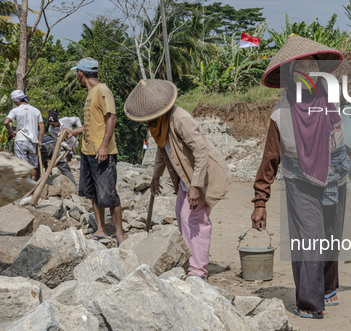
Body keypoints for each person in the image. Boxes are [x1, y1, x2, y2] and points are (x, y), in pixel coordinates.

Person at [251, 35, 351, 319]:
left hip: (336, 176)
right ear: (290, 75)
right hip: (301, 181)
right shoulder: (281, 114)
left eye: (311, 65)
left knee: (331, 238)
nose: (306, 72)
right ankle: (310, 303)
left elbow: (348, 130)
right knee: (310, 238)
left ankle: (328, 288)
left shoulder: (333, 98)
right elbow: (270, 159)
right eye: (299, 68)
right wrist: (260, 201)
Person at [124, 79, 231, 279]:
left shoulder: (180, 119)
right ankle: (189, 261)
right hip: (184, 178)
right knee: (181, 217)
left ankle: (198, 270)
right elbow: (162, 151)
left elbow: (201, 152)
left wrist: (195, 187)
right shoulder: (159, 125)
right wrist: (156, 177)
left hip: (200, 177)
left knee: (194, 219)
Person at [64, 57, 125, 244]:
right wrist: (73, 132)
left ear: (80, 74)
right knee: (93, 193)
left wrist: (104, 145)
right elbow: (93, 125)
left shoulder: (103, 91)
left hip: (101, 152)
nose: (77, 76)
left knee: (108, 193)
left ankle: (120, 234)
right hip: (88, 151)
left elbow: (111, 118)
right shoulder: (91, 93)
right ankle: (101, 229)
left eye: (77, 73)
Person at [4, 90, 44, 181]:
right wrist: (40, 141)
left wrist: (12, 131)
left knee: (22, 166)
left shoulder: (16, 110)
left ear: (16, 101)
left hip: (20, 140)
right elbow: (42, 126)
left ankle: (24, 189)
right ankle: (32, 188)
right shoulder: (36, 110)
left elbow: (6, 122)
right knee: (33, 166)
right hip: (33, 141)